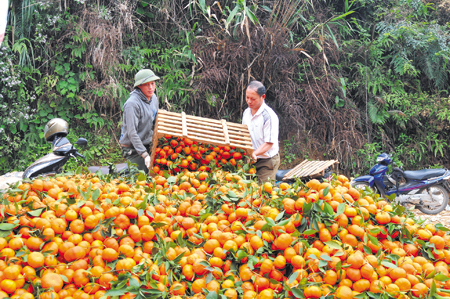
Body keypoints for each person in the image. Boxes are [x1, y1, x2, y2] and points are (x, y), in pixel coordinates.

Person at [119, 69, 160, 172]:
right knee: (142, 176)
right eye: (146, 85)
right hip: (132, 149)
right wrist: (145, 155)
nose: (151, 87)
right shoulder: (132, 104)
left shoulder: (153, 98)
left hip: (148, 144)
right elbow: (132, 133)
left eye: (152, 83)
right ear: (139, 86)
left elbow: (155, 122)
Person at [242, 81, 280, 183]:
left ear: (262, 97)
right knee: (245, 189)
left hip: (267, 160)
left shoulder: (269, 116)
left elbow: (269, 143)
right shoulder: (246, 113)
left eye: (253, 99)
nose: (249, 101)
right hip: (251, 159)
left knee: (263, 192)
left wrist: (255, 153)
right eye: (247, 97)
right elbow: (244, 134)